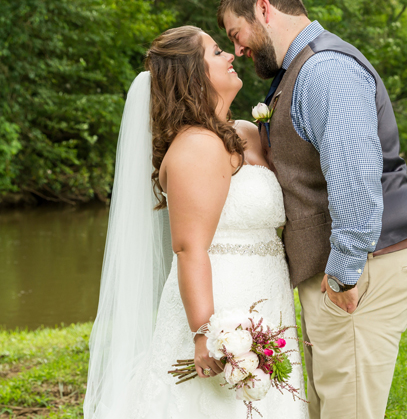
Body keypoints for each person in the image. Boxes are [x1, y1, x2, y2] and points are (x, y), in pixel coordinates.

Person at [218, 0, 407, 419]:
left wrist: (344, 273)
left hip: (362, 270)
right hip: (348, 273)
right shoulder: (301, 69)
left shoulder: (324, 70)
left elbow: (355, 175)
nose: (238, 50)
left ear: (263, 9)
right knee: (328, 406)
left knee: (346, 410)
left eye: (236, 35)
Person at [83, 26, 308, 419]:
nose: (231, 56)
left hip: (268, 295)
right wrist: (206, 332)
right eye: (218, 51)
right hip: (220, 303)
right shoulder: (195, 147)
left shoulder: (248, 134)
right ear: (193, 74)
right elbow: (190, 248)